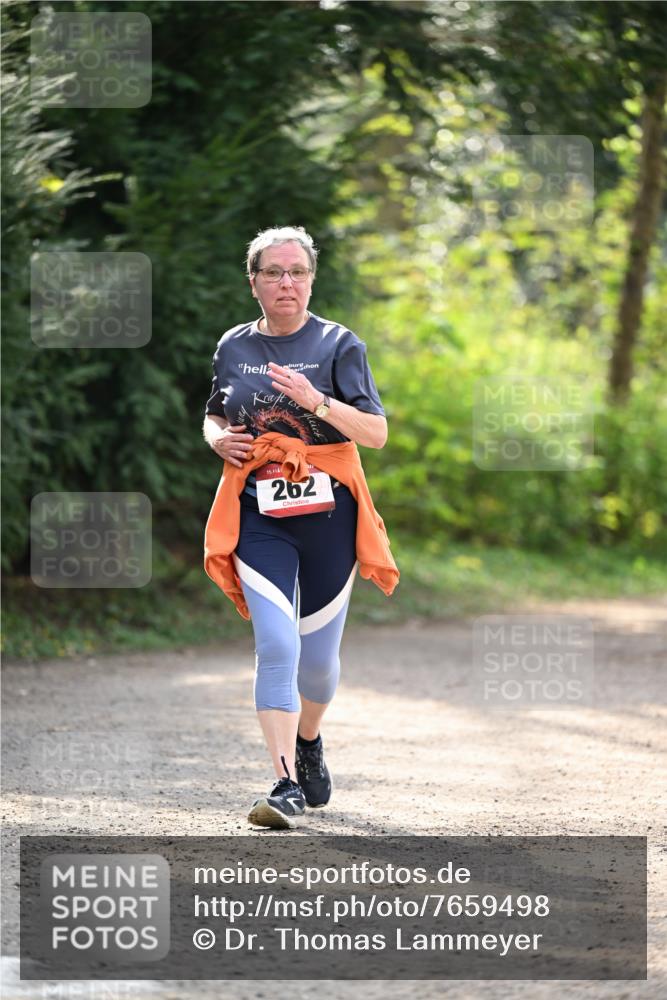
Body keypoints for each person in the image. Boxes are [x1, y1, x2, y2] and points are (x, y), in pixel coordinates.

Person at [202, 225, 397, 830]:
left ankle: (309, 739)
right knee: (277, 647)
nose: (287, 282)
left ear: (311, 279)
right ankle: (285, 781)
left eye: (297, 272)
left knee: (317, 663)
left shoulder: (340, 344)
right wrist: (219, 441)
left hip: (329, 519)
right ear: (254, 281)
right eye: (273, 272)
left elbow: (375, 434)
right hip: (260, 516)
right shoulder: (233, 345)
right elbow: (213, 414)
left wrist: (316, 402)